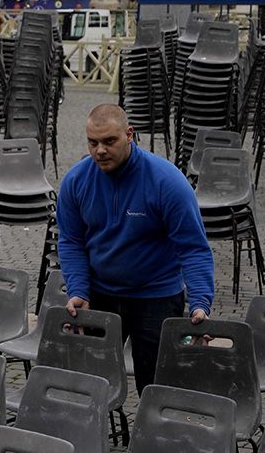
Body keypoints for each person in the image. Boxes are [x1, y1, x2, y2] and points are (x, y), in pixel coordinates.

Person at [55, 103, 214, 392]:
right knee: (91, 387)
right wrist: (78, 290)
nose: (100, 151)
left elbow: (193, 248)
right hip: (100, 296)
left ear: (129, 134)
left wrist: (201, 303)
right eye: (93, 142)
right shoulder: (76, 181)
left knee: (156, 389)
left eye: (109, 141)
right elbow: (71, 241)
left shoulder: (167, 182)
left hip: (156, 298)